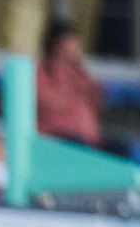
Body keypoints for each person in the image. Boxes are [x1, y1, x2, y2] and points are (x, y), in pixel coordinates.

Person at [36, 18, 102, 148]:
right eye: (72, 44)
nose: (77, 49)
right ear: (58, 45)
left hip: (89, 142)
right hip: (58, 142)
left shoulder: (82, 75)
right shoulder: (41, 74)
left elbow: (97, 107)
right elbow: (48, 105)